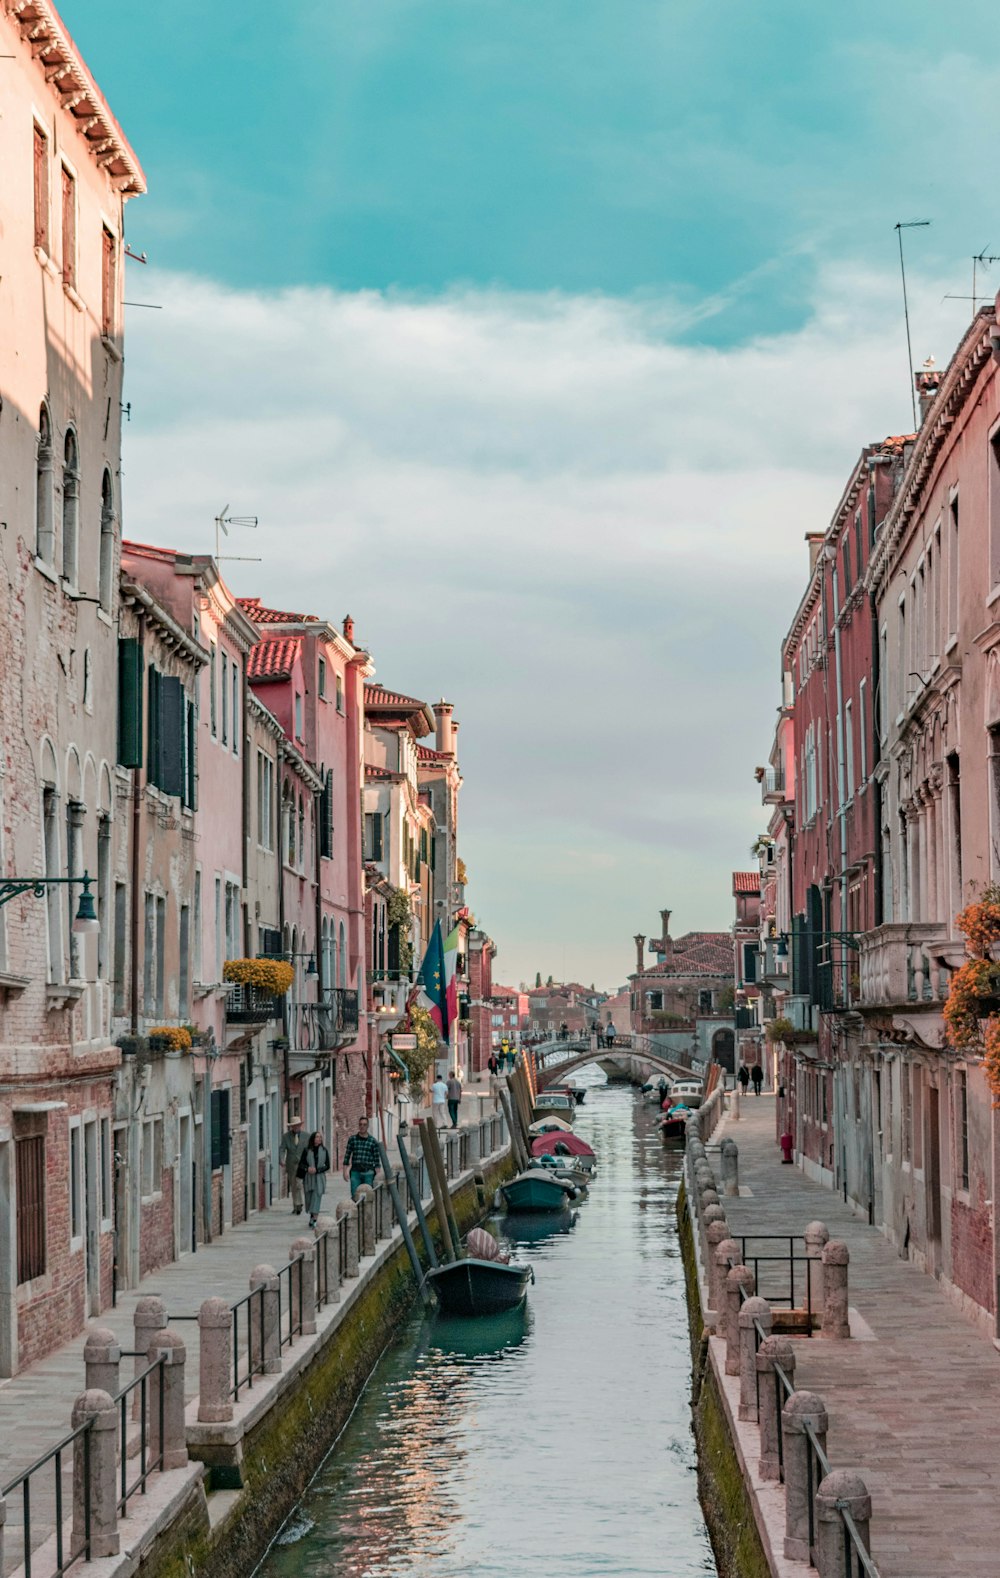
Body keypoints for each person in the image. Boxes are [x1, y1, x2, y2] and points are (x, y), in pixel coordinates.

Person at [342, 1116, 381, 1201]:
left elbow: (376, 1160)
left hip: (369, 1172)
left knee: (368, 1196)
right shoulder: (352, 1139)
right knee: (355, 1196)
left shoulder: (373, 1141)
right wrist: (345, 1171)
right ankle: (357, 1213)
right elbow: (347, 1156)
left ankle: (365, 1214)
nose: (362, 1126)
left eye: (364, 1125)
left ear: (367, 1126)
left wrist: (378, 1176)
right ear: (358, 1126)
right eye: (360, 1124)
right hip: (355, 1172)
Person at [297, 1129, 330, 1227]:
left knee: (317, 1196)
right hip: (308, 1178)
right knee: (310, 1198)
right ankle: (312, 1216)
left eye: (320, 1137)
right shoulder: (307, 1150)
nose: (319, 1139)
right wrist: (308, 1169)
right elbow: (301, 1164)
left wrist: (318, 1170)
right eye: (317, 1137)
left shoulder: (324, 1151)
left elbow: (327, 1165)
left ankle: (315, 1219)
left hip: (319, 1178)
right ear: (313, 1139)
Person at [279, 1116, 307, 1214]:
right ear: (291, 1127)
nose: (296, 1128)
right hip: (291, 1164)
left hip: (303, 1164)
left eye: (297, 1126)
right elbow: (282, 1149)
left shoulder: (306, 1136)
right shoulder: (286, 1137)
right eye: (293, 1126)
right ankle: (296, 1206)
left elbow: (310, 1150)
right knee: (294, 1185)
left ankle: (298, 1204)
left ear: (300, 1125)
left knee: (298, 1185)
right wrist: (282, 1159)